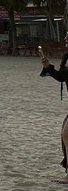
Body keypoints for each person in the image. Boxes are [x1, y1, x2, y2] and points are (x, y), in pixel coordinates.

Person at [38, 34, 68, 180]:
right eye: (66, 37)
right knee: (66, 134)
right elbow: (62, 77)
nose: (66, 39)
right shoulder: (66, 57)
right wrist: (47, 67)